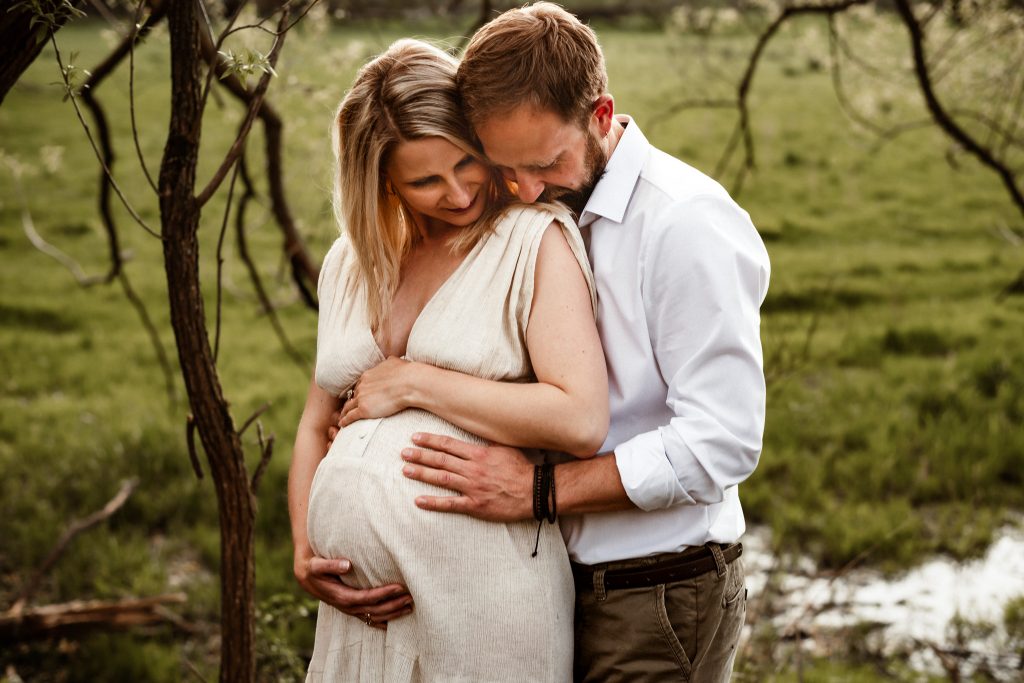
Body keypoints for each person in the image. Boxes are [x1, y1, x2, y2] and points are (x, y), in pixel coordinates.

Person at [388, 4, 772, 681]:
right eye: (505, 167)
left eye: (546, 162)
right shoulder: (531, 207)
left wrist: (540, 491)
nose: (526, 188)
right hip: (556, 582)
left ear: (601, 115)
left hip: (659, 592)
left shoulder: (684, 223)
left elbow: (723, 441)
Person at [288, 38, 608, 681]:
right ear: (381, 181)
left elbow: (579, 418)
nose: (459, 192)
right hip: (360, 616)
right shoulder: (349, 266)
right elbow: (314, 421)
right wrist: (304, 546)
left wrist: (415, 383)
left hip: (486, 591)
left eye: (468, 163)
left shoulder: (529, 240)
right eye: (425, 180)